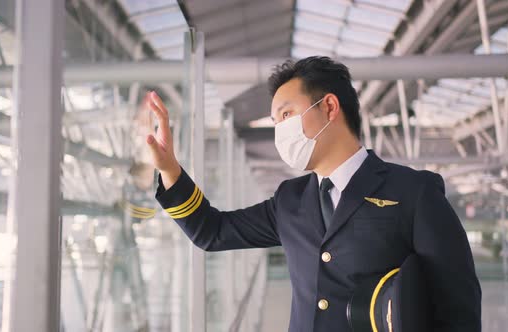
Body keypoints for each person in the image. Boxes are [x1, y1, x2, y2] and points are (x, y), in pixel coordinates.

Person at [145, 56, 482, 332]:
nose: (280, 130)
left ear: (330, 107)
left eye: (287, 115)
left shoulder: (413, 191)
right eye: (276, 121)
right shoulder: (290, 201)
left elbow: (459, 308)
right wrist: (170, 169)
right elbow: (212, 232)